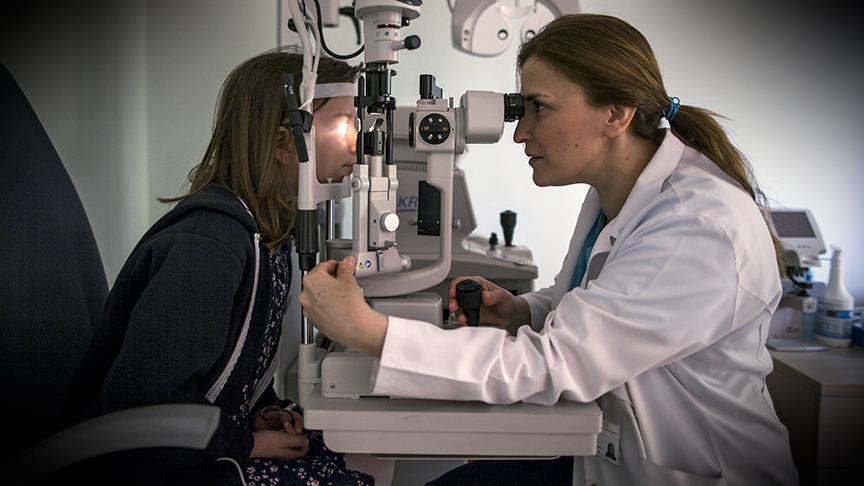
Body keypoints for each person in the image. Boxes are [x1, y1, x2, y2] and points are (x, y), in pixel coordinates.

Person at [299, 14, 799, 486]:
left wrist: (368, 331)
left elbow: (555, 363)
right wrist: (525, 311)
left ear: (616, 113)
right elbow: (600, 305)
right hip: (607, 460)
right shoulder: (616, 195)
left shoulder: (696, 227)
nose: (520, 132)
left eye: (538, 107)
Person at [64, 48, 372, 485]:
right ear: (283, 142)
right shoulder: (208, 249)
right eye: (343, 124)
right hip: (148, 465)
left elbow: (229, 370)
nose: (358, 143)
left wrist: (261, 410)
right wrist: (243, 443)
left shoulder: (267, 236)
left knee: (336, 446)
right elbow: (144, 402)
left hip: (198, 441)